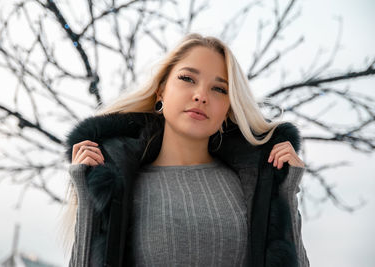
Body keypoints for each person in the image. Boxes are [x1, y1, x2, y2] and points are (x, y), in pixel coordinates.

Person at [61, 33, 310, 267]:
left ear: (228, 109)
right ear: (161, 90)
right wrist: (86, 189)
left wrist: (287, 190)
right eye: (187, 79)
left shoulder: (256, 185)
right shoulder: (120, 184)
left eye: (219, 89)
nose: (201, 95)